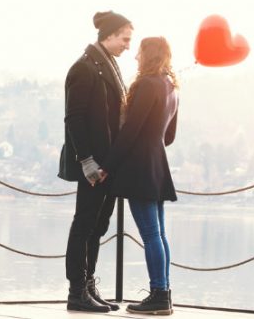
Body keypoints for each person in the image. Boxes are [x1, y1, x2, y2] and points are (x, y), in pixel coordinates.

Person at [98, 36, 179, 315]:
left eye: (140, 52)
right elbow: (170, 136)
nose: (136, 57)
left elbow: (130, 130)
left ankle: (158, 295)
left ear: (150, 55)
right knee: (160, 234)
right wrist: (152, 140)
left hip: (140, 168)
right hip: (158, 165)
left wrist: (107, 165)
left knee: (150, 234)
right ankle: (164, 295)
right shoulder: (171, 86)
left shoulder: (147, 84)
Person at [59, 11, 133, 312]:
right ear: (109, 35)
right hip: (93, 165)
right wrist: (87, 160)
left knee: (98, 226)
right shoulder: (84, 68)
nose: (128, 45)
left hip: (108, 164)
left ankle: (88, 286)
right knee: (84, 224)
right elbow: (74, 118)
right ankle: (76, 292)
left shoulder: (108, 65)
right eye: (125, 39)